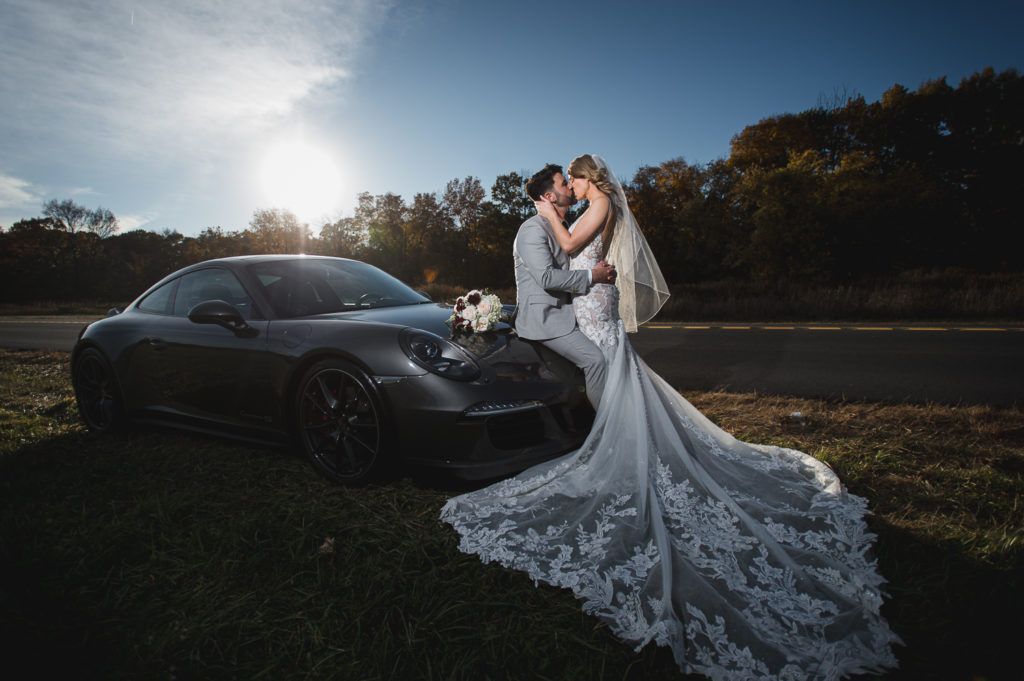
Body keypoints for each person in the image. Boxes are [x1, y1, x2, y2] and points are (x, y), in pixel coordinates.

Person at [440, 155, 901, 680]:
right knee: (607, 369)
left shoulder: (596, 206)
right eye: (565, 182)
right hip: (577, 304)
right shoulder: (550, 220)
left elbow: (569, 253)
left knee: (609, 368)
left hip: (588, 303)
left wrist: (565, 237)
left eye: (575, 177)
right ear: (555, 190)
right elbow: (562, 260)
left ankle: (615, 441)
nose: (571, 185)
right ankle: (613, 436)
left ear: (591, 180)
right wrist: (554, 227)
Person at [512, 163, 617, 408]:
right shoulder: (531, 230)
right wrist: (594, 275)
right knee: (595, 361)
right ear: (549, 197)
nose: (569, 185)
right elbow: (547, 278)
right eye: (563, 183)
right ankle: (602, 430)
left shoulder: (561, 228)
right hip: (545, 319)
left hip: (569, 311)